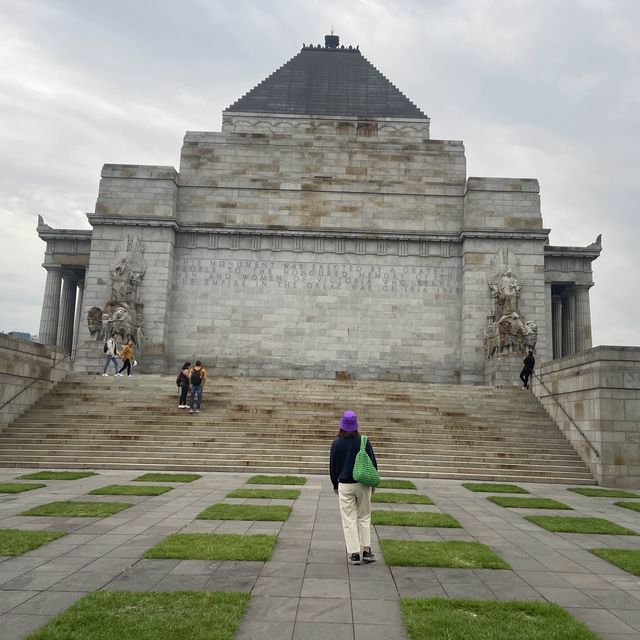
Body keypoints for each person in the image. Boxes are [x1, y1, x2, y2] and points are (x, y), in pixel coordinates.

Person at [329, 410, 377, 565]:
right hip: (363, 483)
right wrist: (373, 483)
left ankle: (354, 553)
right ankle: (367, 550)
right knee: (364, 516)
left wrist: (335, 484)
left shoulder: (336, 442)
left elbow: (333, 466)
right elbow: (372, 462)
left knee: (348, 519)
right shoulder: (363, 440)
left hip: (345, 484)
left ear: (342, 425)